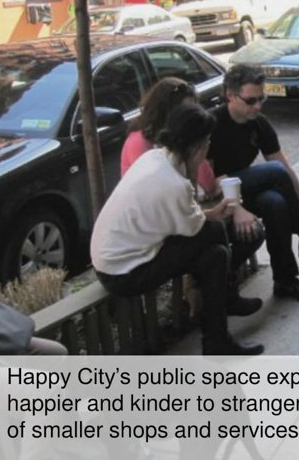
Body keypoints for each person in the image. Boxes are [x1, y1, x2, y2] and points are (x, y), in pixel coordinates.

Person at [91, 102, 263, 355]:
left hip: (114, 259)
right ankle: (223, 315)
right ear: (196, 146)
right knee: (215, 241)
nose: (208, 149)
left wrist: (212, 213)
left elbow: (184, 220)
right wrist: (213, 214)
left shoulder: (155, 158)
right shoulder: (173, 183)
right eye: (206, 143)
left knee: (215, 255)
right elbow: (196, 228)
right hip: (123, 272)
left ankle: (218, 334)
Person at [207, 65, 299, 304]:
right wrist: (236, 208)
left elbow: (287, 172)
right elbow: (208, 180)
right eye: (251, 100)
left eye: (261, 98)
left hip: (241, 187)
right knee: (273, 172)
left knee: (276, 202)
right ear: (231, 96)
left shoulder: (259, 123)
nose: (258, 105)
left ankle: (285, 279)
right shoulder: (213, 122)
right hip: (216, 195)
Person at [120, 77, 264, 317]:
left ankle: (218, 303)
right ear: (166, 110)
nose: (190, 115)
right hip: (153, 231)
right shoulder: (143, 145)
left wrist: (234, 207)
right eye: (185, 109)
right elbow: (172, 202)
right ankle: (221, 296)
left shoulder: (184, 144)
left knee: (252, 228)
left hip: (181, 213)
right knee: (215, 239)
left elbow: (209, 184)